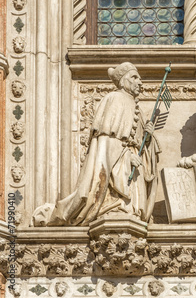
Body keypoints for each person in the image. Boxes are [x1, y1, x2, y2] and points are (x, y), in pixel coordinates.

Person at [43, 62, 160, 226]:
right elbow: (106, 144)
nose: (140, 82)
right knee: (119, 207)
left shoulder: (137, 109)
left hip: (135, 167)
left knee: (134, 212)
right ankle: (113, 207)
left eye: (140, 78)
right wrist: (127, 158)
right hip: (120, 165)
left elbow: (139, 144)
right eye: (134, 77)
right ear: (123, 80)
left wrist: (148, 139)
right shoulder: (114, 99)